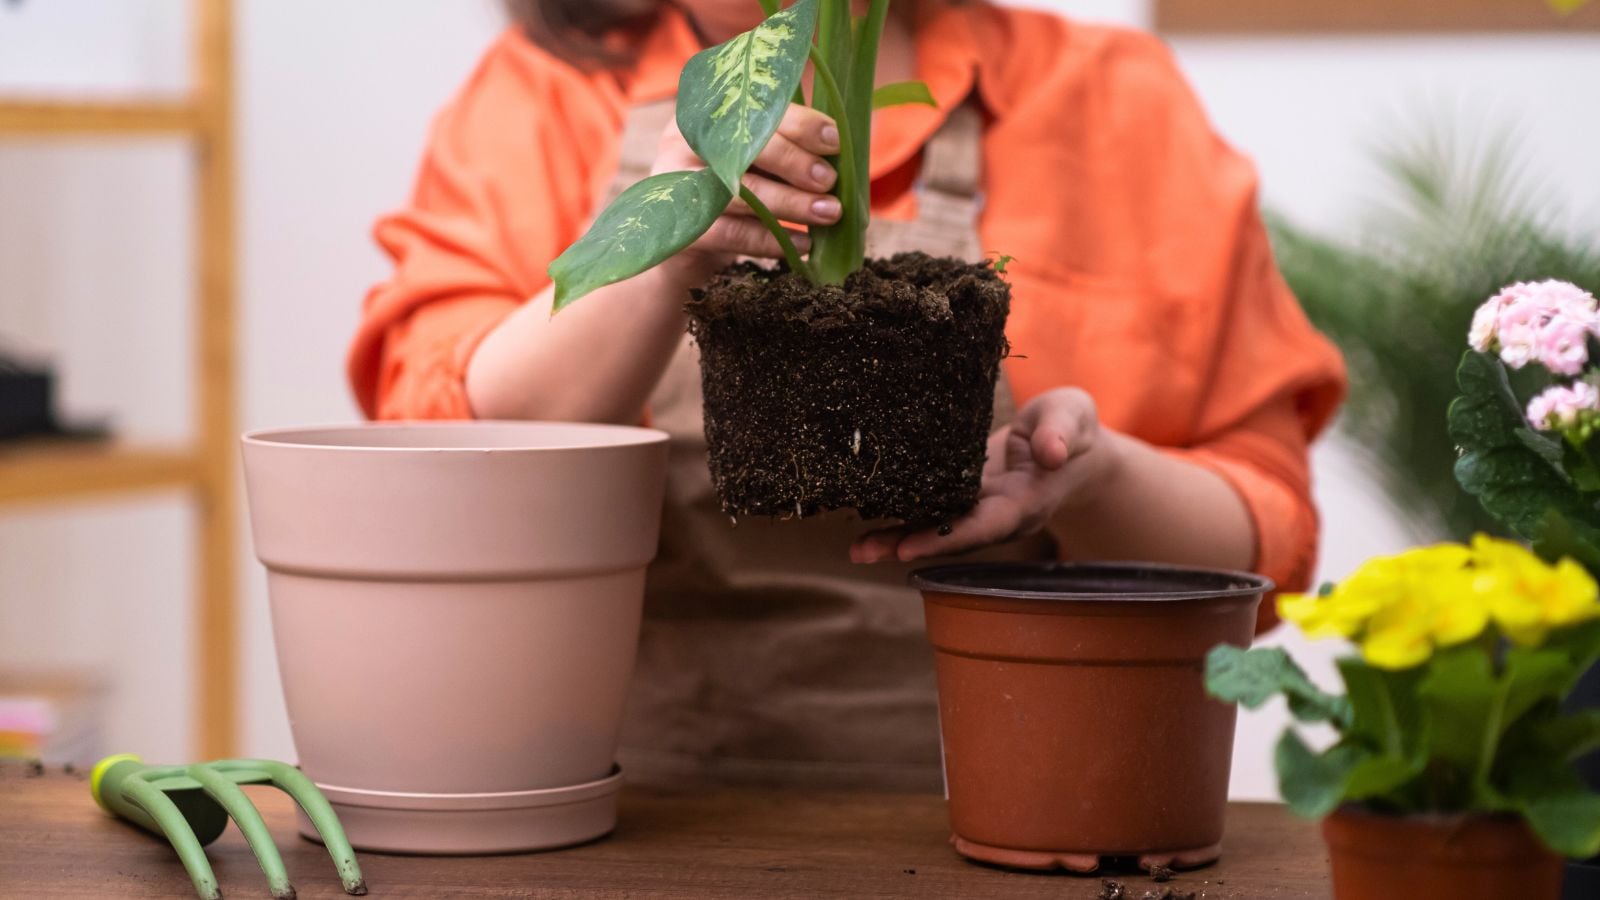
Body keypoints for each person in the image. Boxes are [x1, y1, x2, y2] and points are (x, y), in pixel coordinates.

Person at [347, 0, 1346, 789]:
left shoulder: (1109, 98)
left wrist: (1092, 473)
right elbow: (444, 473)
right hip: (649, 809)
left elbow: (1263, 542)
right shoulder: (539, 98)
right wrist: (664, 252)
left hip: (1045, 799)